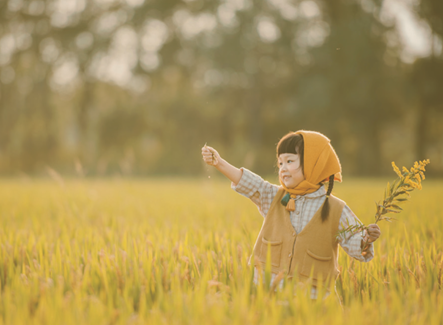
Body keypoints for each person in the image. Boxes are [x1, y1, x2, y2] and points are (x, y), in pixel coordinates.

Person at [201, 130, 381, 300]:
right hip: (268, 296)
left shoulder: (336, 209)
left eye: (290, 161)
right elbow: (250, 183)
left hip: (313, 301)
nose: (283, 168)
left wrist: (366, 238)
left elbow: (354, 240)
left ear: (313, 163)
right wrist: (219, 163)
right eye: (280, 163)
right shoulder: (275, 197)